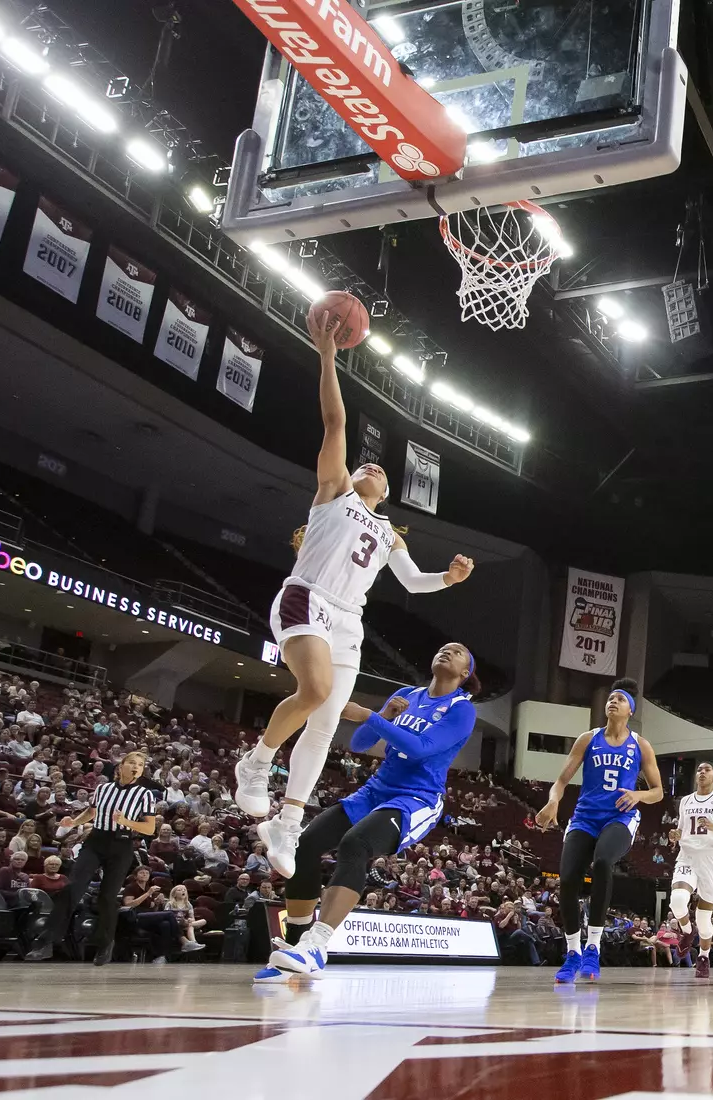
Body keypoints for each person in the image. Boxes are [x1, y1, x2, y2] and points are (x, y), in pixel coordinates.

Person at [233, 305, 474, 878]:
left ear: (386, 497)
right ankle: (257, 761)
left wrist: (449, 578)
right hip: (306, 597)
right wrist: (326, 357)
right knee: (315, 691)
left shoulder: (388, 531)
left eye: (382, 474)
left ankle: (287, 823)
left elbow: (413, 581)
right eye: (370, 465)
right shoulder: (334, 491)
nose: (372, 469)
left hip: (349, 620)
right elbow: (336, 424)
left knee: (325, 720)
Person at [259, 643, 478, 981]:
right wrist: (385, 716)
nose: (446, 652)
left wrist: (371, 716)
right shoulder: (408, 694)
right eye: (443, 648)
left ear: (465, 674)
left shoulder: (461, 709)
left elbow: (421, 750)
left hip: (416, 798)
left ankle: (317, 945)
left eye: (457, 652)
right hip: (376, 789)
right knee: (306, 844)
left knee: (355, 844)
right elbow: (359, 744)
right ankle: (295, 946)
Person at [536, 678, 663, 984]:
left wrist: (638, 795)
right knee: (567, 879)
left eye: (619, 699)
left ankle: (593, 945)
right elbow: (561, 781)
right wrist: (553, 802)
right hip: (584, 817)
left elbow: (658, 791)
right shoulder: (587, 738)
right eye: (610, 697)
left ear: (629, 710)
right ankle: (572, 952)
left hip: (619, 818)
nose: (612, 701)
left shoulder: (641, 745)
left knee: (604, 861)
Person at [24, 752, 160, 965]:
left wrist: (126, 821)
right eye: (132, 763)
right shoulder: (103, 788)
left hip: (121, 843)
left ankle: (105, 944)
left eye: (140, 765)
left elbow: (150, 828)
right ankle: (45, 942)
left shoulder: (145, 794)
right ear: (121, 766)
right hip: (96, 840)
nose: (136, 767)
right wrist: (74, 822)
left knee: (107, 897)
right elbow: (92, 812)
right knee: (73, 888)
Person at [667, 761, 713, 980]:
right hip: (687, 855)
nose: (702, 772)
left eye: (707, 770)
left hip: (711, 860)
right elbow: (680, 830)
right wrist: (675, 835)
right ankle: (688, 932)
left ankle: (704, 956)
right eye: (699, 770)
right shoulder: (686, 801)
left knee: (705, 918)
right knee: (677, 901)